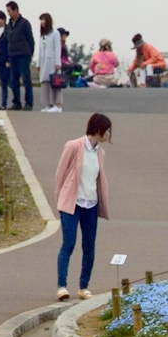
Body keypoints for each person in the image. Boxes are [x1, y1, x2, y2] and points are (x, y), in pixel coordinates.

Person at [54, 113, 113, 301]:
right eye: (108, 130)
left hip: (91, 204)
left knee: (89, 247)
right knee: (68, 244)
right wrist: (60, 200)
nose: (109, 135)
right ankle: (62, 286)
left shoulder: (100, 153)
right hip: (72, 203)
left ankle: (83, 286)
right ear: (99, 130)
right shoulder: (74, 146)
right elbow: (60, 174)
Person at [5, 0, 34, 110]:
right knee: (13, 80)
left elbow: (30, 39)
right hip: (12, 55)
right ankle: (16, 102)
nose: (8, 13)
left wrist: (30, 53)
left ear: (15, 10)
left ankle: (29, 103)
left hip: (23, 55)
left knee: (26, 79)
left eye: (9, 11)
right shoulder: (9, 25)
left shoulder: (24, 23)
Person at [37, 13, 63, 112]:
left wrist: (58, 63)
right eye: (41, 20)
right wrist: (38, 63)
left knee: (55, 83)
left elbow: (57, 49)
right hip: (44, 63)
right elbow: (40, 50)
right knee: (45, 83)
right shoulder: (42, 35)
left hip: (52, 62)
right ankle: (49, 104)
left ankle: (57, 105)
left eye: (43, 20)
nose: (42, 22)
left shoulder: (55, 33)